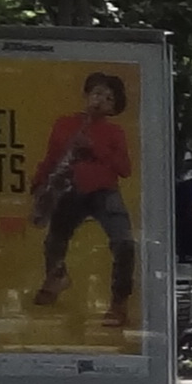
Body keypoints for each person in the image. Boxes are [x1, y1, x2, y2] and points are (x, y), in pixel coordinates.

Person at [27, 70, 137, 323]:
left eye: (108, 99)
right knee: (54, 240)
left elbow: (125, 169)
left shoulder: (115, 132)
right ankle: (57, 277)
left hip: (104, 192)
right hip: (69, 189)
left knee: (124, 243)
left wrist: (95, 149)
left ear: (113, 109)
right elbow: (52, 157)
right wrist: (39, 183)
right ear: (87, 96)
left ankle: (119, 303)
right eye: (97, 93)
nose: (100, 100)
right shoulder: (64, 124)